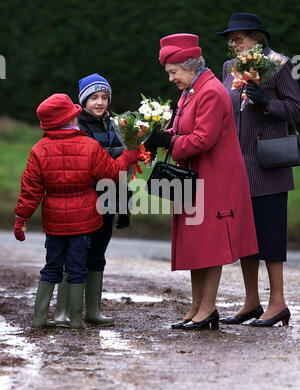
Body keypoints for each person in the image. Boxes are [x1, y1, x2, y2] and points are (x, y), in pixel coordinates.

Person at [144, 33, 258, 330]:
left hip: (215, 180)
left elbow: (202, 139)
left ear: (190, 66)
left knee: (209, 245)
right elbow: (183, 128)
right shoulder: (192, 89)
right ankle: (196, 308)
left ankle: (207, 310)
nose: (171, 79)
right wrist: (161, 135)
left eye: (173, 72)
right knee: (196, 245)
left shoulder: (210, 91)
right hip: (195, 179)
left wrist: (170, 144)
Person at [14, 93, 140, 329]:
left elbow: (30, 190)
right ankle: (74, 321)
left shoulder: (38, 150)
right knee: (77, 266)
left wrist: (21, 218)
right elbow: (112, 173)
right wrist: (129, 156)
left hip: (54, 221)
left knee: (51, 265)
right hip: (85, 219)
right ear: (70, 120)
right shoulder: (89, 146)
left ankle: (40, 319)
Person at [217, 13, 300, 327]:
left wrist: (267, 102)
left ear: (257, 38)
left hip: (269, 164)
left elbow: (296, 109)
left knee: (271, 236)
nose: (232, 43)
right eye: (230, 39)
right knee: (244, 237)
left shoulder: (279, 63)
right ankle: (251, 302)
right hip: (236, 164)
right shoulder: (228, 68)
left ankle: (278, 303)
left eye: (238, 37)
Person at [55, 73, 131, 328]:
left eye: (104, 97)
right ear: (84, 100)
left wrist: (124, 206)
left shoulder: (116, 125)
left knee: (98, 254)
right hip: (84, 200)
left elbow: (120, 170)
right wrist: (125, 152)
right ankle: (64, 311)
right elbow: (91, 158)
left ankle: (93, 311)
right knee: (75, 255)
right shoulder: (77, 125)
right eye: (94, 97)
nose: (100, 102)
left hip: (108, 199)